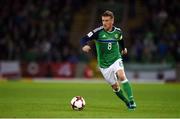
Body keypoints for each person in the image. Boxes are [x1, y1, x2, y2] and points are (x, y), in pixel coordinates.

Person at [80, 10, 136, 110]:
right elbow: (84, 38)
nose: (104, 23)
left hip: (116, 59)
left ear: (112, 21)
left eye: (106, 20)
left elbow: (121, 39)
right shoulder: (98, 32)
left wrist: (123, 49)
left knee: (122, 75)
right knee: (115, 87)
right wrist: (84, 46)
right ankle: (127, 102)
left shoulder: (118, 31)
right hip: (104, 65)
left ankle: (132, 101)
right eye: (103, 20)